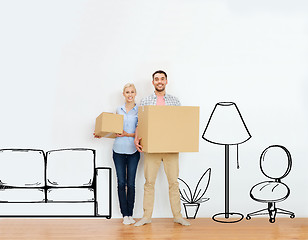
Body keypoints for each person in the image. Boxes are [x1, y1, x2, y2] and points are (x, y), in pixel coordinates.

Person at [134, 70, 190, 226]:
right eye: (156, 79)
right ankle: (146, 217)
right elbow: (140, 123)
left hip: (171, 147)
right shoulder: (145, 101)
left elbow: (180, 123)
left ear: (166, 81)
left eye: (162, 79)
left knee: (174, 182)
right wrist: (136, 138)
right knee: (149, 182)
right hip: (152, 148)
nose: (159, 81)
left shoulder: (175, 101)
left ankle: (178, 216)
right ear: (153, 82)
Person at [94, 83, 140, 225]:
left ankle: (130, 214)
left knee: (131, 184)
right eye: (127, 92)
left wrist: (128, 134)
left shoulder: (140, 111)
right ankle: (124, 215)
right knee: (121, 182)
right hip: (118, 151)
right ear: (123, 94)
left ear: (135, 94)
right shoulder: (118, 110)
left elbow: (141, 131)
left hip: (133, 151)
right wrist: (102, 134)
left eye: (132, 92)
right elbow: (114, 130)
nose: (130, 94)